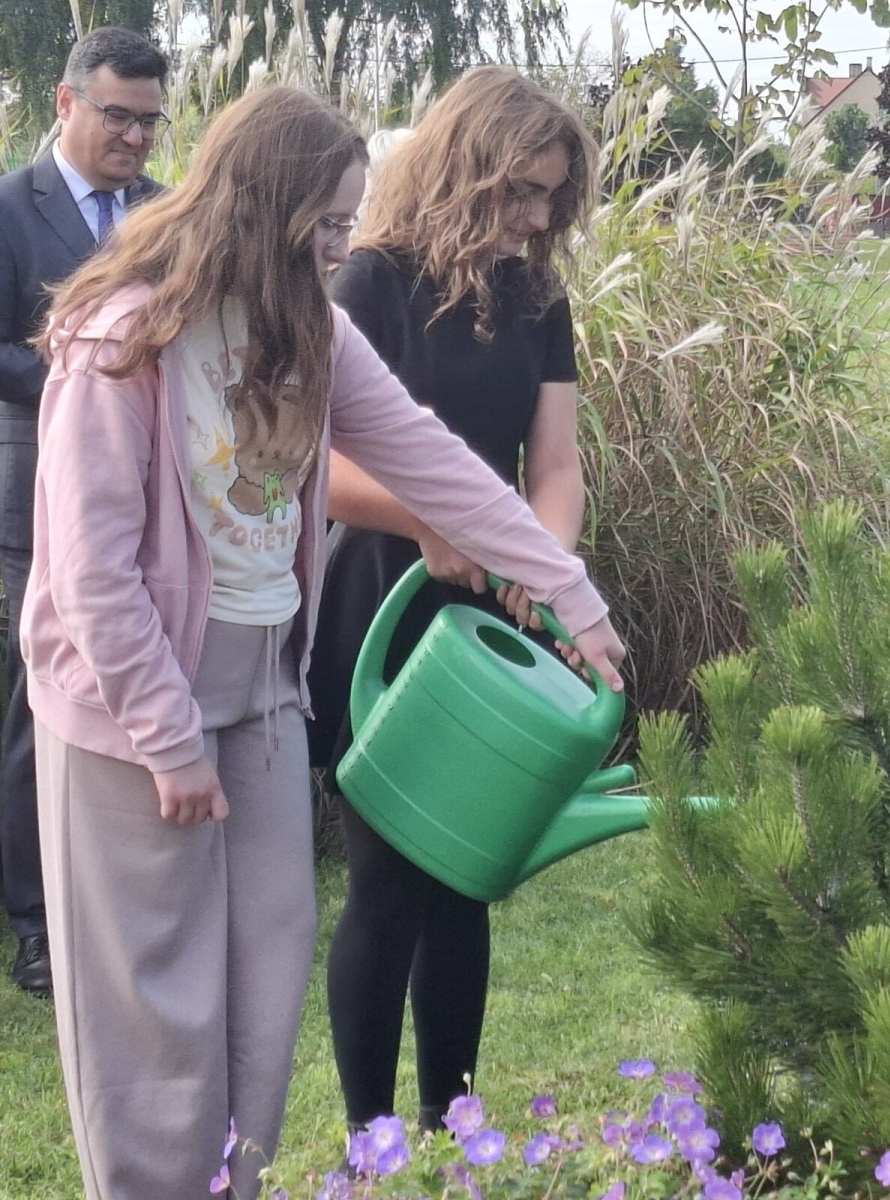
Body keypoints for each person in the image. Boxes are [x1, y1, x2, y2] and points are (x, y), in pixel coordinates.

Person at [24, 85, 625, 1199]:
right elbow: (91, 572)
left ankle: (231, 1185)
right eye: (329, 225)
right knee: (155, 1004)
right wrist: (166, 739)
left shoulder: (312, 327)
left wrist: (571, 596)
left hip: (264, 693)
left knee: (264, 981)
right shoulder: (124, 338)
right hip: (131, 707)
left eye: (349, 222)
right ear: (262, 209)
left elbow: (438, 465)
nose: (346, 246)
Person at [304, 65, 597, 1133]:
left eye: (551, 201)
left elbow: (554, 463)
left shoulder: (538, 296)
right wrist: (431, 522)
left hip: (494, 615)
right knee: (387, 881)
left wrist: (540, 565)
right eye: (520, 191)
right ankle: (370, 1136)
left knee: (466, 876)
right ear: (466, 167)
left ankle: (448, 1127)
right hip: (384, 598)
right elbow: (316, 464)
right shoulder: (369, 282)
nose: (534, 218)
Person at [0, 26, 169, 998]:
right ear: (67, 103)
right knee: (51, 714)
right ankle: (39, 926)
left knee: (149, 699)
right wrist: (96, 372)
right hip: (41, 503)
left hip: (166, 502)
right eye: (117, 115)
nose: (134, 138)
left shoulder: (170, 212)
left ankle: (134, 907)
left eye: (151, 122)